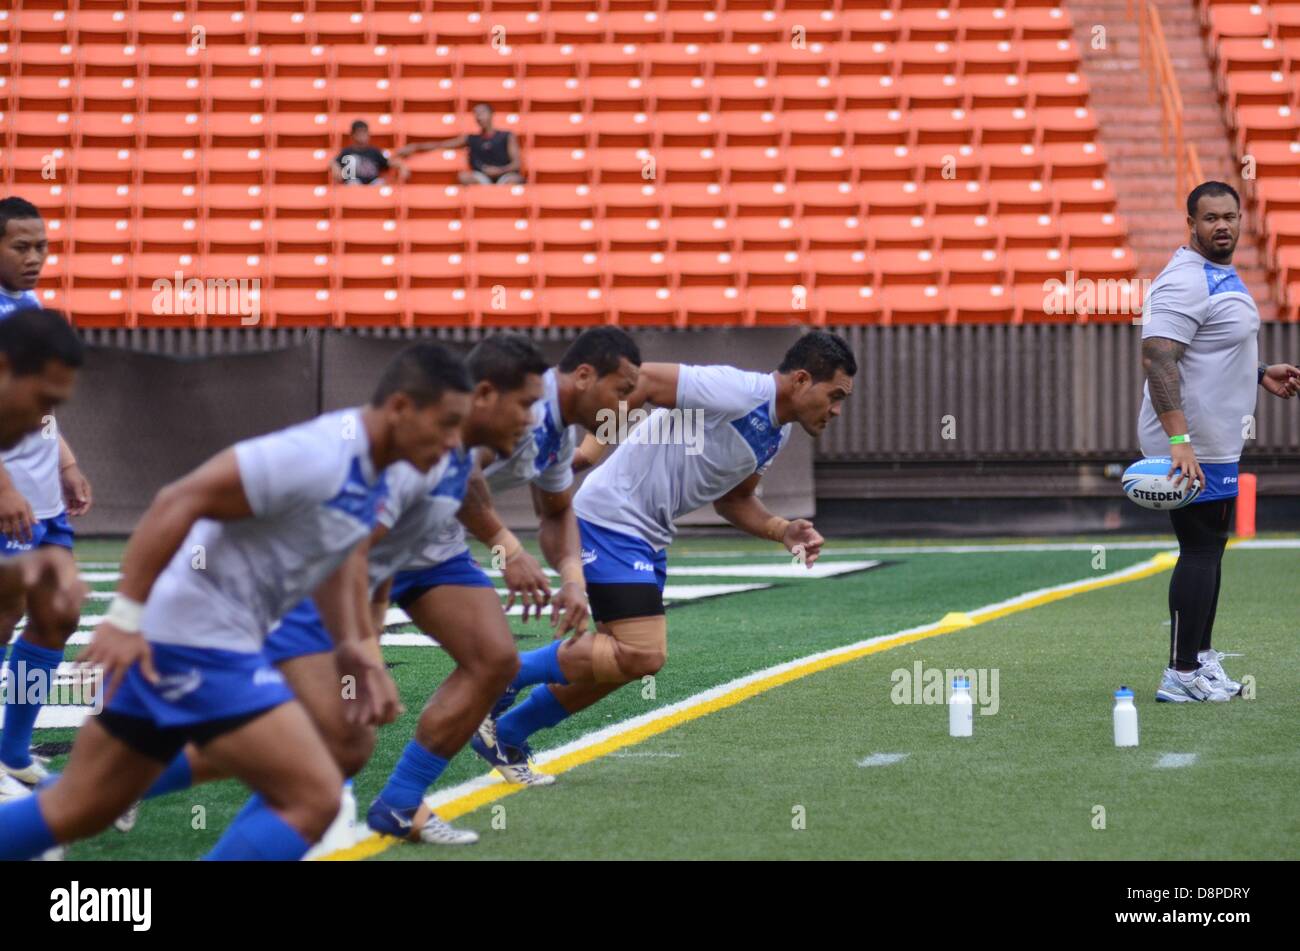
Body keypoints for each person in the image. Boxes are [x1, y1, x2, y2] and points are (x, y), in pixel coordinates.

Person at [0, 343, 470, 860]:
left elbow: (336, 559)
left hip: (195, 636)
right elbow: (178, 500)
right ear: (402, 408)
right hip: (197, 639)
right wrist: (125, 619)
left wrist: (353, 647)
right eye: (446, 424)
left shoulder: (380, 469)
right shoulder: (319, 454)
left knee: (78, 807)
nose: (453, 442)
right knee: (312, 796)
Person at [474, 331, 857, 784]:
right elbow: (646, 383)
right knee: (642, 654)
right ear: (800, 380)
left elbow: (734, 501)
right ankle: (505, 676)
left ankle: (509, 733)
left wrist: (781, 529)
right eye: (834, 396)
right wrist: (589, 452)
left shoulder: (778, 433)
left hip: (648, 535)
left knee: (617, 664)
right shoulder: (739, 390)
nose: (835, 410)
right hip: (612, 517)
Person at [365, 328, 644, 840]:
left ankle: (399, 804)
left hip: (434, 542)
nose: (624, 405)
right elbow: (462, 471)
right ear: (584, 375)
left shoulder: (554, 431)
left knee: (495, 662)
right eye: (621, 390)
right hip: (371, 539)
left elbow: (557, 512)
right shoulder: (527, 406)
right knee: (333, 724)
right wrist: (507, 549)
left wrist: (575, 580)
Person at [1139, 181, 1300, 703]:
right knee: (1201, 550)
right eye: (1210, 218)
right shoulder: (1183, 280)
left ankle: (1199, 660)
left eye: (1230, 216)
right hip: (1192, 444)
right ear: (1192, 223)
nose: (1223, 225)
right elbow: (1159, 357)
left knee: (1212, 548)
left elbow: (1208, 349)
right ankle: (1181, 673)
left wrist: (1259, 372)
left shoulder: (1219, 273)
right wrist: (1178, 440)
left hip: (1213, 440)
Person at [0, 197, 93, 793]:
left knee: (57, 615)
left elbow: (39, 406)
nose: (35, 258)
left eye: (41, 246)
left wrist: (66, 460)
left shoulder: (29, 306)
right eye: (21, 247)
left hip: (44, 504)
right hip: (7, 502)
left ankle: (11, 751)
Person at [397, 103, 523, 185]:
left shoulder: (506, 136)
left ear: (491, 115)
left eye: (482, 113)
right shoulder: (471, 139)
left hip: (504, 175)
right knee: (464, 177)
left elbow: (516, 164)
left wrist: (498, 171)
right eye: (476, 114)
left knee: (514, 181)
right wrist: (416, 147)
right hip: (482, 177)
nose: (479, 117)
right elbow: (442, 144)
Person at [333, 120, 408, 185]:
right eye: (359, 132)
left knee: (380, 183)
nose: (362, 135)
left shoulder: (374, 151)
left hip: (372, 183)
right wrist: (336, 168)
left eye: (364, 132)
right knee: (353, 183)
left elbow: (388, 162)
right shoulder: (347, 152)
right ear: (353, 135)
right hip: (354, 185)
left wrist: (402, 166)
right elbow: (335, 162)